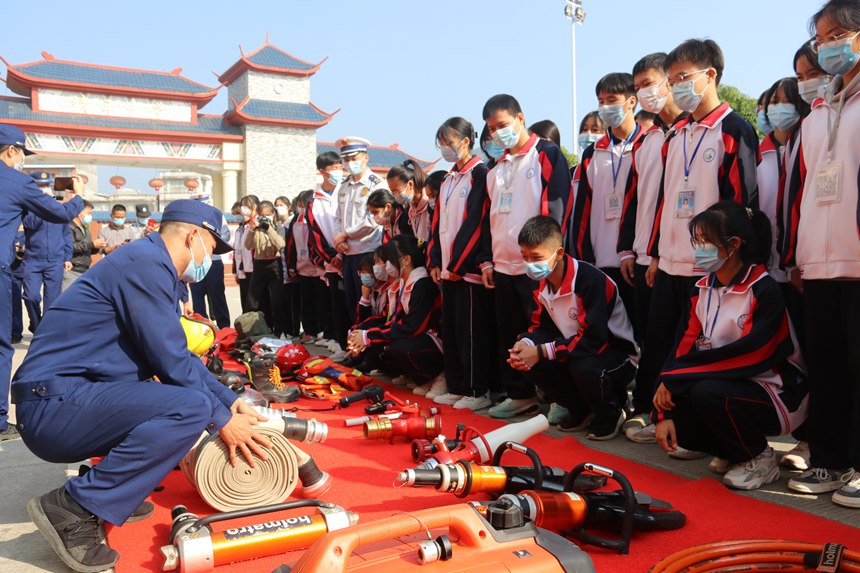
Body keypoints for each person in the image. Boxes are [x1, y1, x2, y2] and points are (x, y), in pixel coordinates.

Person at [12, 199, 271, 571]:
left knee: (183, 398)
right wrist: (222, 419)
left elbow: (176, 356)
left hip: (62, 397)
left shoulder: (150, 263)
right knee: (190, 407)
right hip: (53, 407)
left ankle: (113, 488)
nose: (208, 261)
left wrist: (229, 401)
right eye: (211, 249)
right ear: (193, 236)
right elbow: (171, 361)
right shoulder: (145, 266)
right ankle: (74, 506)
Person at [639, 39, 760, 459]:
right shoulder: (675, 134)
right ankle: (661, 418)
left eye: (682, 78)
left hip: (709, 266)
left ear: (710, 75)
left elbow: (742, 204)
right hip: (670, 261)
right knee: (661, 345)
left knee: (699, 350)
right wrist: (656, 253)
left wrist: (732, 262)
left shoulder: (734, 129)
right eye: (671, 80)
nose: (675, 87)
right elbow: (666, 198)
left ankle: (695, 432)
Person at [653, 201, 807, 490]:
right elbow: (681, 349)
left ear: (734, 244)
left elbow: (753, 355)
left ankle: (758, 457)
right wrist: (663, 408)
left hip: (776, 393)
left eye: (706, 240)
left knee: (705, 391)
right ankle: (732, 450)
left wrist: (678, 377)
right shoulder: (700, 290)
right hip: (726, 385)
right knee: (675, 412)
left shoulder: (764, 289)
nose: (699, 248)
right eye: (696, 240)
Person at [782, 0, 860, 509]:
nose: (828, 47)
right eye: (822, 38)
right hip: (819, 262)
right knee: (828, 366)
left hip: (857, 256)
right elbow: (802, 192)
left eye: (838, 36)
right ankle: (830, 458)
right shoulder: (815, 115)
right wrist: (799, 254)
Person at [481, 94, 573, 419]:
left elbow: (556, 209)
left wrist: (548, 259)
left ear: (520, 118)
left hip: (536, 267)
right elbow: (490, 218)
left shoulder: (545, 154)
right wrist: (488, 260)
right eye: (492, 129)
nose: (498, 133)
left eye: (502, 125)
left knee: (546, 334)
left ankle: (562, 397)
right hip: (503, 266)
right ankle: (520, 394)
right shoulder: (494, 169)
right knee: (510, 337)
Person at [509, 216, 638, 439]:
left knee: (583, 366)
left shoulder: (590, 280)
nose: (530, 264)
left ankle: (611, 412)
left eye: (536, 257)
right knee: (526, 361)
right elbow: (540, 327)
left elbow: (593, 339)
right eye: (524, 257)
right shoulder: (541, 283)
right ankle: (581, 409)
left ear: (559, 253)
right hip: (576, 350)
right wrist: (525, 344)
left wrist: (540, 351)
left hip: (616, 355)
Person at [0, 123, 85, 442]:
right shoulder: (18, 182)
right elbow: (60, 214)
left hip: (45, 261)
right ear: (12, 150)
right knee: (1, 347)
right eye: (21, 152)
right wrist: (78, 195)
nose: (21, 158)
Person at [619, 52, 687, 443]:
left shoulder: (689, 132)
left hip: (680, 258)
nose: (645, 93)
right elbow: (636, 199)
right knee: (650, 338)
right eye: (638, 86)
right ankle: (648, 409)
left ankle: (675, 416)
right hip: (645, 256)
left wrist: (661, 252)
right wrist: (630, 250)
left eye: (649, 83)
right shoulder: (646, 140)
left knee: (678, 341)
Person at [427, 117, 495, 410]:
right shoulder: (447, 179)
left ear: (466, 142)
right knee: (453, 331)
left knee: (471, 333)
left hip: (467, 271)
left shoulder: (480, 174)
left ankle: (477, 389)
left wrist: (458, 264)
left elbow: (477, 223)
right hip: (447, 270)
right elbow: (437, 224)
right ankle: (456, 385)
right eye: (441, 143)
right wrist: (434, 260)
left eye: (449, 142)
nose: (445, 147)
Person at [568, 72, 644, 322]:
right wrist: (584, 259)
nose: (605, 108)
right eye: (601, 101)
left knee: (638, 328)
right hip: (600, 260)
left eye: (611, 100)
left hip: (637, 259)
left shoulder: (647, 144)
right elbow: (582, 210)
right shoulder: (593, 152)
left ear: (631, 102)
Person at [347, 235, 444, 393]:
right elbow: (393, 320)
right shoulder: (405, 282)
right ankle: (415, 376)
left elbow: (412, 327)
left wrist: (369, 336)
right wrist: (362, 333)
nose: (386, 265)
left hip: (435, 340)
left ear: (406, 260)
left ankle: (437, 376)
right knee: (378, 344)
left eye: (389, 260)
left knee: (396, 347)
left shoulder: (422, 284)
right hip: (419, 336)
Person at [333, 137, 387, 322]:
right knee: (351, 301)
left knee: (370, 299)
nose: (349, 163)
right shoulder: (343, 186)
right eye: (346, 159)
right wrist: (339, 240)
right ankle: (354, 336)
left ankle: (369, 337)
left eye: (353, 158)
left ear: (365, 158)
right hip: (347, 253)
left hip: (368, 250)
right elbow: (338, 217)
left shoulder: (376, 184)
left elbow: (374, 219)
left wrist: (346, 234)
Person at [307, 152, 348, 356]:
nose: (339, 171)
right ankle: (341, 343)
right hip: (332, 262)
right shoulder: (313, 200)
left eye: (340, 167)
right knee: (337, 304)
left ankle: (357, 345)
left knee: (354, 301)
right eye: (334, 168)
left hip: (350, 254)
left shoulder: (347, 190)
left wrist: (343, 251)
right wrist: (331, 256)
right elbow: (314, 233)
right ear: (323, 172)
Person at [21, 172, 73, 333]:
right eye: (41, 185)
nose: (44, 188)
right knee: (30, 297)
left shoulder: (58, 207)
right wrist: (41, 207)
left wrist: (67, 257)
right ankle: (37, 325)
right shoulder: (28, 207)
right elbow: (30, 224)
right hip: (33, 259)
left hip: (55, 260)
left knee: (51, 301)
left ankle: (44, 333)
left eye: (46, 185)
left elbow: (66, 235)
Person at [287, 190, 328, 343]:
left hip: (319, 267)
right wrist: (291, 265)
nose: (302, 207)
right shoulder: (295, 220)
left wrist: (321, 260)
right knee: (307, 302)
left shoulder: (318, 217)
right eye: (300, 204)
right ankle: (310, 331)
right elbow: (290, 244)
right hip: (302, 267)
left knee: (322, 301)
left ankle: (323, 331)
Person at [246, 200, 287, 336]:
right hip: (259, 265)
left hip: (274, 265)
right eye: (262, 215)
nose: (265, 218)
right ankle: (252, 331)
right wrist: (252, 230)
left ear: (273, 214)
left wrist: (269, 229)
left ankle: (279, 331)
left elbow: (280, 244)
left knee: (277, 301)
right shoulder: (255, 228)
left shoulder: (278, 227)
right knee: (253, 301)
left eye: (268, 214)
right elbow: (248, 245)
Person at [188, 198, 231, 329]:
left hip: (213, 261)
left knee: (217, 296)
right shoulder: (190, 216)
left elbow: (226, 235)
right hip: (196, 261)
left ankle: (224, 327)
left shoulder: (217, 215)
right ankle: (202, 327)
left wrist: (209, 242)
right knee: (197, 296)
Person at [64, 200, 105, 291]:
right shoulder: (69, 227)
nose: (90, 216)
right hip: (72, 270)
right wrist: (91, 244)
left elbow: (87, 248)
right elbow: (71, 247)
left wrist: (96, 246)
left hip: (85, 270)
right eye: (88, 213)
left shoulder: (85, 230)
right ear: (79, 213)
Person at [388, 160, 432, 245]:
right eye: (392, 192)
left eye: (397, 191)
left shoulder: (430, 203)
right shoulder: (410, 208)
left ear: (410, 184)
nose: (395, 195)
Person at [233, 195, 259, 313]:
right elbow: (236, 250)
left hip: (254, 268)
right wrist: (235, 270)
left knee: (254, 302)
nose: (242, 209)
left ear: (253, 207)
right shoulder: (240, 229)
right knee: (245, 301)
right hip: (242, 269)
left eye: (245, 206)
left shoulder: (255, 224)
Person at [11, 227, 25, 344]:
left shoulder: (32, 225)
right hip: (13, 270)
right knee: (14, 302)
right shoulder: (10, 227)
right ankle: (15, 333)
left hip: (32, 269)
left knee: (32, 299)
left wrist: (22, 247)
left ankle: (36, 325)